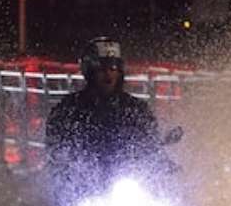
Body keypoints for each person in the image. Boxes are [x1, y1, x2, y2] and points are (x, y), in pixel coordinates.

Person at [44, 37, 163, 181]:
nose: (108, 75)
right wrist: (69, 166)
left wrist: (159, 162)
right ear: (89, 72)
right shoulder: (69, 108)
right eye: (101, 69)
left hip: (125, 179)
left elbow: (150, 141)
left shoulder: (136, 108)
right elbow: (56, 145)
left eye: (113, 68)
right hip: (83, 180)